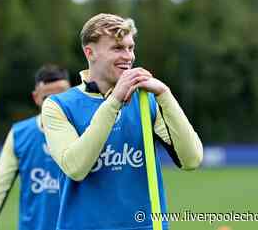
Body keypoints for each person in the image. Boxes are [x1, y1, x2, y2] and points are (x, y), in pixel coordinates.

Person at [41, 13, 203, 230]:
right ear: (90, 52)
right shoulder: (58, 106)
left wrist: (165, 94)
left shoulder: (147, 100)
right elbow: (76, 167)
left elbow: (191, 159)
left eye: (131, 47)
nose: (128, 56)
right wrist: (114, 101)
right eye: (118, 48)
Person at [0, 64, 71, 230]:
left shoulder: (87, 130)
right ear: (36, 98)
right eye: (48, 99)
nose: (56, 105)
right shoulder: (19, 135)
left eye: (62, 97)